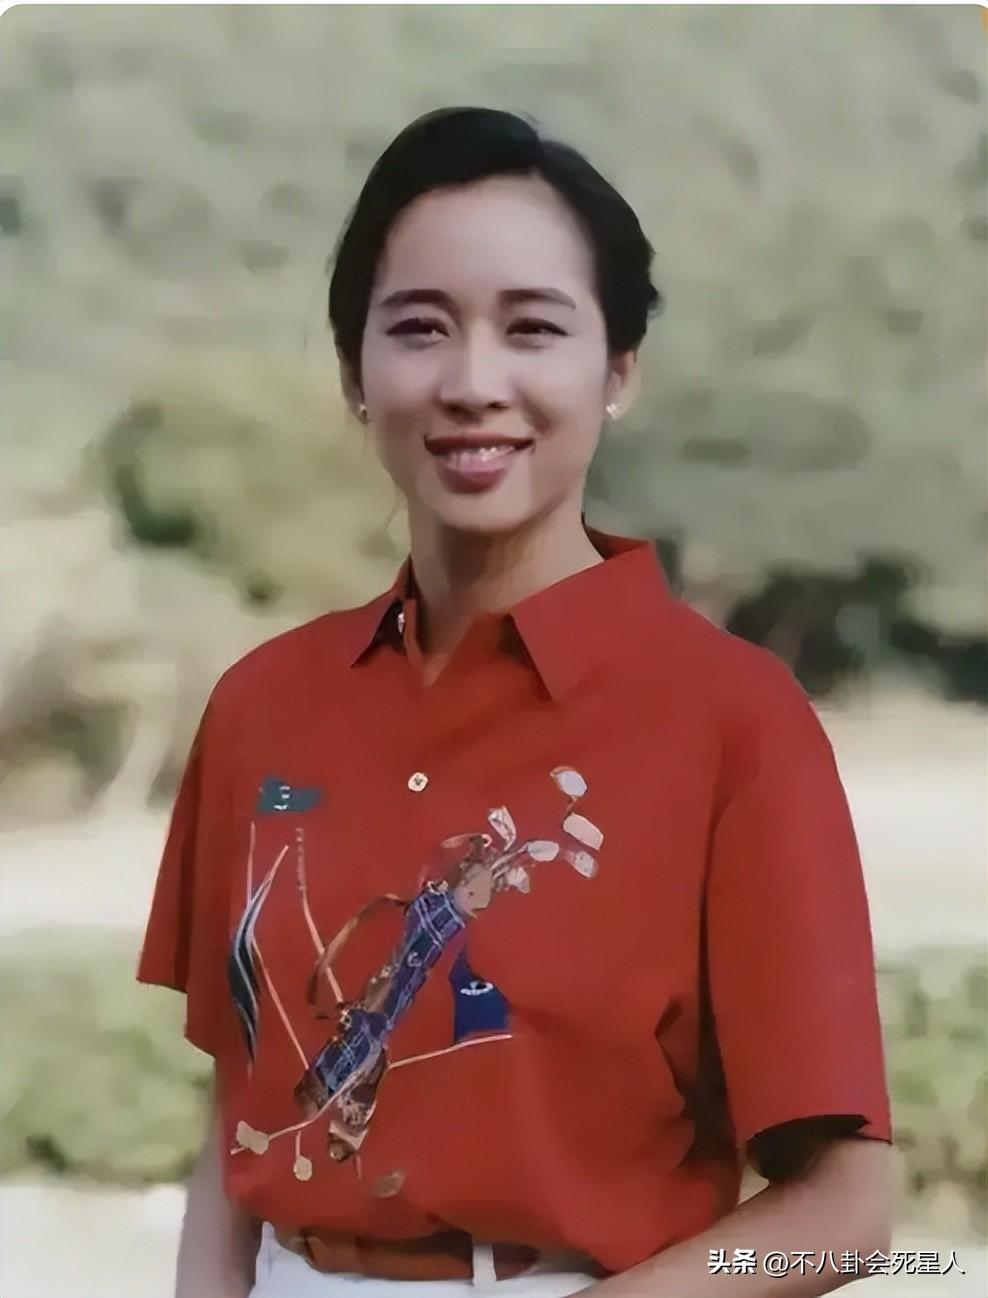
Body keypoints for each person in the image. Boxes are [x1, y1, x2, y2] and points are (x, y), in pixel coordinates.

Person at [137, 107, 893, 1298]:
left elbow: (842, 1212)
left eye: (533, 328)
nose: (472, 383)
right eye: (418, 328)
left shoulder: (733, 722)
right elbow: (241, 1103)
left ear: (619, 370)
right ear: (354, 372)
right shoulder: (260, 705)